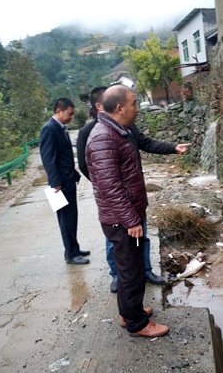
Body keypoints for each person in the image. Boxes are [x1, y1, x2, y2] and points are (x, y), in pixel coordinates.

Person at [77, 86, 191, 292]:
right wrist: (107, 191)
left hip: (133, 201)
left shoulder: (127, 127)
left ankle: (144, 271)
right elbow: (90, 170)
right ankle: (118, 277)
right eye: (134, 103)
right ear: (102, 105)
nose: (137, 108)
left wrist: (173, 148)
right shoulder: (94, 133)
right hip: (118, 207)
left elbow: (146, 143)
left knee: (139, 242)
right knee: (120, 250)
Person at [86, 85, 169, 337]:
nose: (137, 107)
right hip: (122, 220)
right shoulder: (104, 137)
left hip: (125, 216)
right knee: (131, 271)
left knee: (129, 269)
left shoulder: (116, 131)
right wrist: (132, 220)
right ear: (120, 107)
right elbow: (110, 187)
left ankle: (130, 311)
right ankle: (136, 324)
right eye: (134, 102)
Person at [40, 98, 90, 265]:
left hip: (68, 180)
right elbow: (48, 159)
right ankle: (71, 253)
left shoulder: (60, 128)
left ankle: (73, 248)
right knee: (66, 220)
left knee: (72, 217)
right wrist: (55, 183)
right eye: (69, 114)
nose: (71, 117)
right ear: (58, 111)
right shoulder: (49, 129)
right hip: (60, 184)